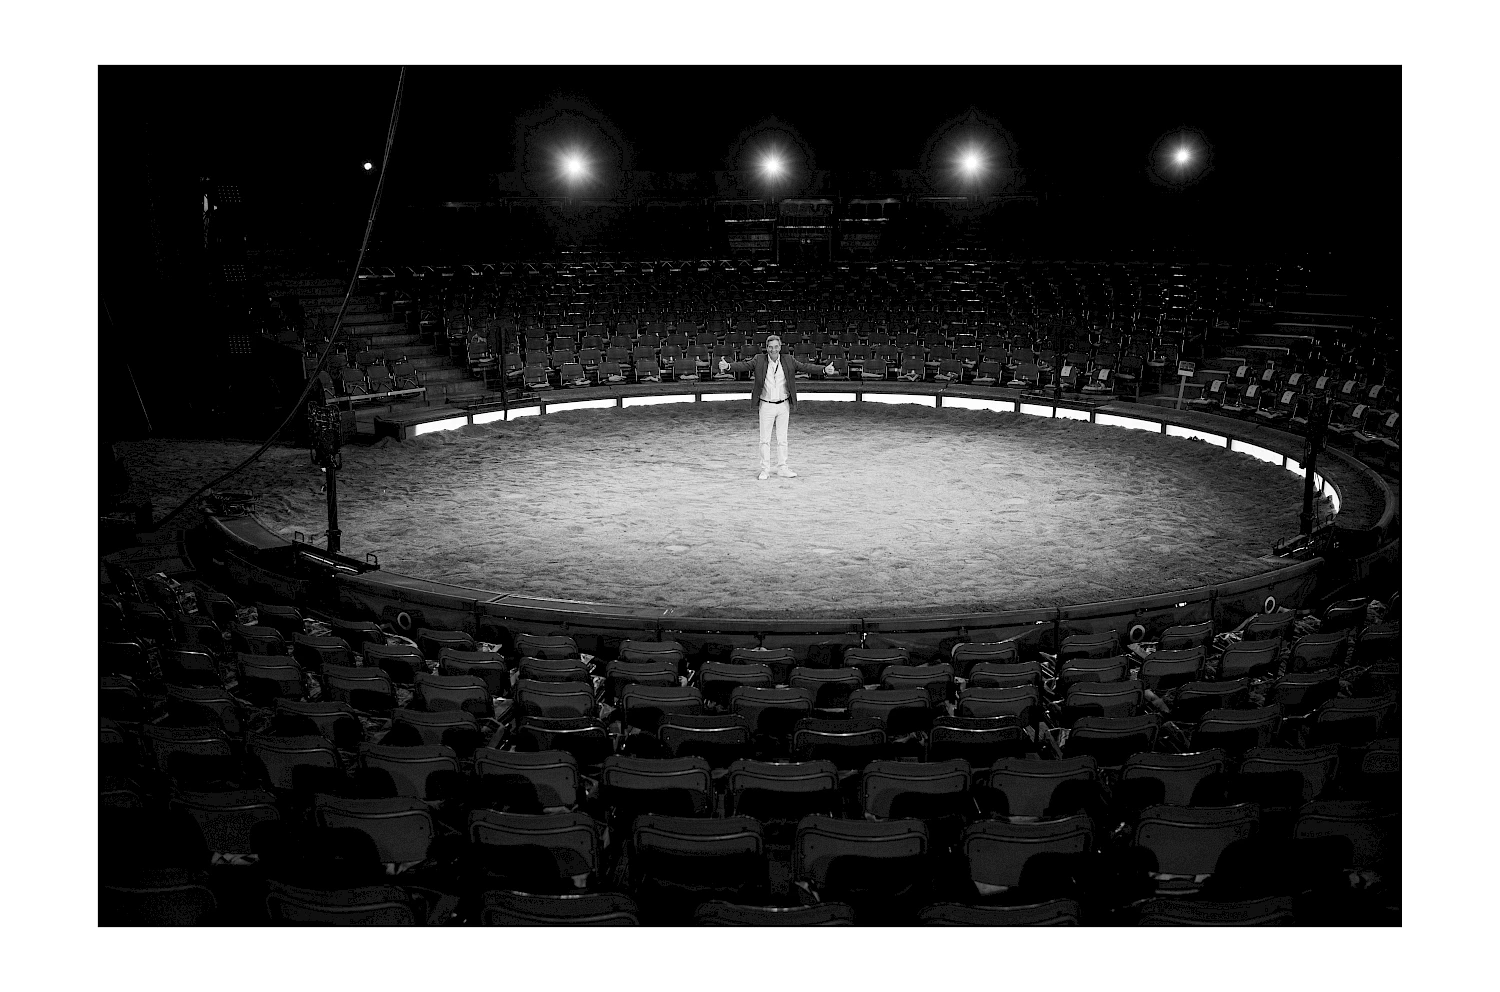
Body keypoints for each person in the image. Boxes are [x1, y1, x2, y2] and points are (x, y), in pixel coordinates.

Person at [719, 335, 837, 480]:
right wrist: (728, 366)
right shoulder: (759, 359)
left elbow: (805, 367)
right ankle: (765, 470)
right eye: (770, 347)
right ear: (766, 348)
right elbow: (744, 366)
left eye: (776, 347)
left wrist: (824, 370)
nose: (773, 350)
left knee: (782, 439)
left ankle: (783, 468)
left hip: (783, 405)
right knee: (764, 440)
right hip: (766, 405)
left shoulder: (788, 360)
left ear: (780, 347)